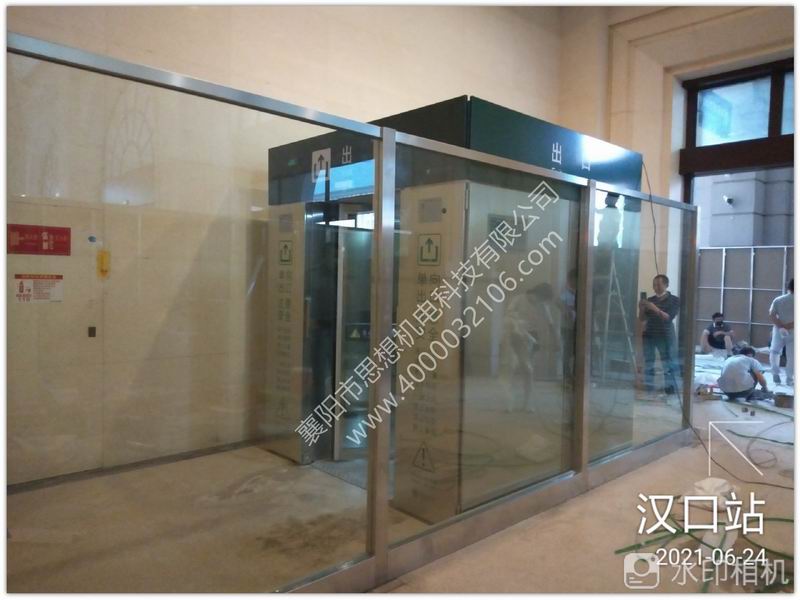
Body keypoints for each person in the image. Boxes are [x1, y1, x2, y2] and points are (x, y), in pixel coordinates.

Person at [639, 274, 681, 395]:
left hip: (665, 335)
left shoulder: (674, 300)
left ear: (666, 285)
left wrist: (654, 308)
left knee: (667, 362)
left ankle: (669, 388)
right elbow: (642, 319)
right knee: (648, 362)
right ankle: (649, 388)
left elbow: (668, 317)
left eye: (658, 284)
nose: (655, 287)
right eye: (654, 285)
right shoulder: (650, 300)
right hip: (649, 334)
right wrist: (641, 308)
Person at [769, 279, 794, 386]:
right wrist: (789, 326)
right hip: (794, 330)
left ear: (788, 287)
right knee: (792, 356)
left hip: (779, 330)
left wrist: (781, 326)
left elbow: (772, 314)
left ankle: (775, 374)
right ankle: (789, 379)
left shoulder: (778, 299)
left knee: (774, 351)